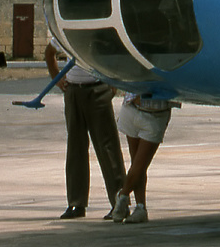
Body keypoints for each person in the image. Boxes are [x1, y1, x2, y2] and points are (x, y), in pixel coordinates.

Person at [44, 42, 126, 220]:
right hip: (73, 90)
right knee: (76, 148)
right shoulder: (66, 34)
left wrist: (113, 82)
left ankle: (119, 202)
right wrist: (57, 78)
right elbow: (49, 52)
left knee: (107, 147)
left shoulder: (96, 33)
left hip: (97, 89)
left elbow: (117, 53)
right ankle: (76, 203)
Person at [112, 91, 174, 224]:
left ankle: (122, 195)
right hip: (132, 108)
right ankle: (140, 207)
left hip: (156, 114)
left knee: (140, 164)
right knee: (136, 163)